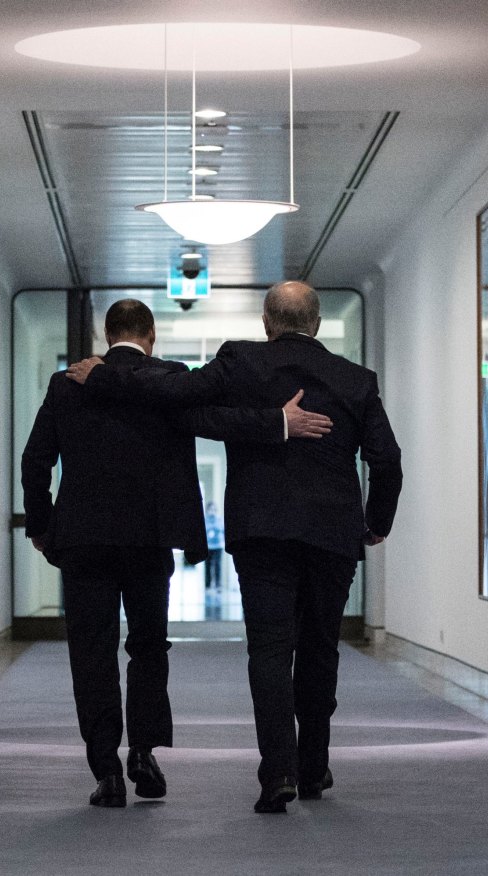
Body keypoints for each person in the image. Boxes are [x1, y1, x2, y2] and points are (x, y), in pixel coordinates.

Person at [66, 281, 403, 813]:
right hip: (332, 535)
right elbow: (386, 459)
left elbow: (179, 402)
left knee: (269, 650)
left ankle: (279, 774)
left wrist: (107, 376)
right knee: (320, 648)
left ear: (267, 323)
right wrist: (375, 522)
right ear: (314, 324)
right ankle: (313, 766)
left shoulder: (240, 361)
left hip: (261, 529)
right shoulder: (356, 379)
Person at [22, 297, 334, 809]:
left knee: (91, 652)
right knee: (148, 646)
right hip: (150, 539)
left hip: (84, 540)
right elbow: (219, 420)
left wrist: (40, 524)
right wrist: (277, 422)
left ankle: (106, 772)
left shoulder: (67, 384)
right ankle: (143, 752)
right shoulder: (168, 380)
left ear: (108, 335)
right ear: (150, 337)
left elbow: (36, 460)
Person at [204, 501, 224, 591]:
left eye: (214, 509)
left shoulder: (219, 519)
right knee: (208, 566)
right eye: (210, 509)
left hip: (218, 546)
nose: (212, 511)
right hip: (208, 547)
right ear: (207, 510)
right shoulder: (205, 520)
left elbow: (222, 530)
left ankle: (218, 585)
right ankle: (207, 585)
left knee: (217, 565)